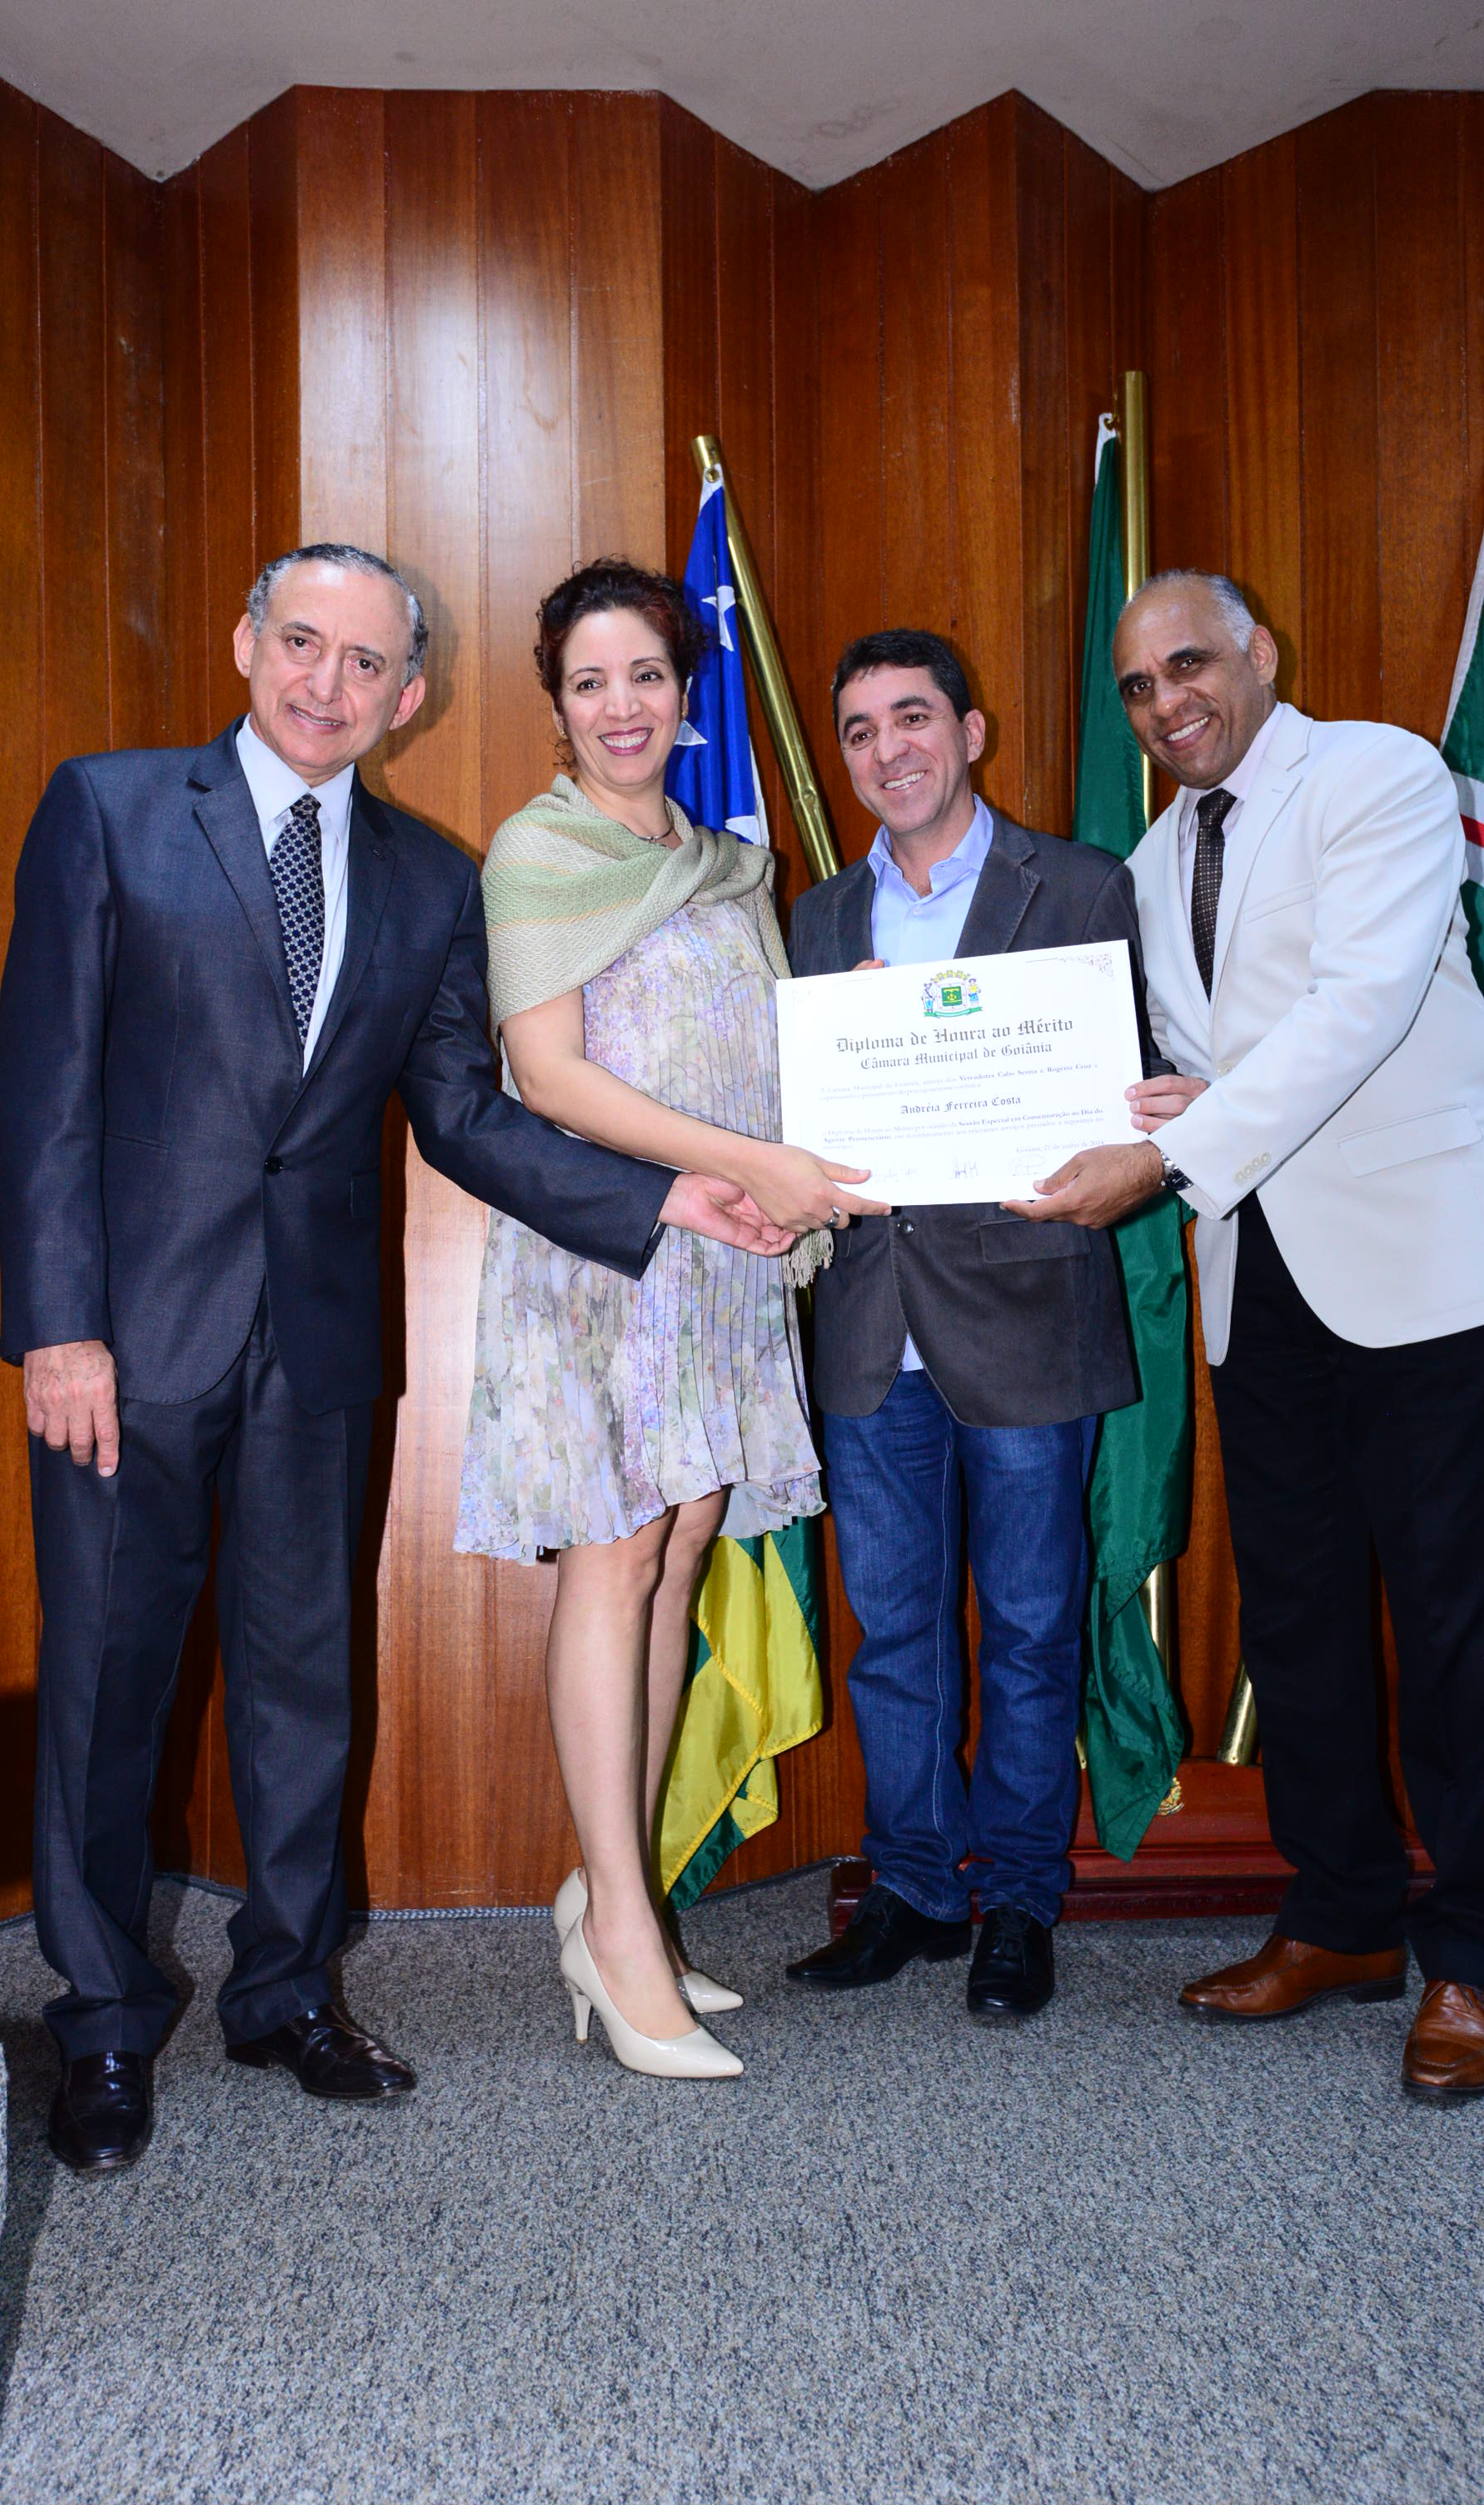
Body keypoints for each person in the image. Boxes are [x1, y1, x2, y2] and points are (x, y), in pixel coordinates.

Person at [0, 542, 794, 2174]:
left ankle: (287, 1991)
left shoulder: (432, 879)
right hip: (124, 1342)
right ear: (246, 641)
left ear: (409, 696)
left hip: (318, 1344)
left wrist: (662, 1197)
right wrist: (58, 1326)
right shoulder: (110, 809)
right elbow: (45, 1083)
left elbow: (462, 1115)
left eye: (367, 663)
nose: (328, 683)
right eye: (303, 643)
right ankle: (101, 2022)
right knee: (105, 1685)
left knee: (305, 1682)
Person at [1008, 567, 1484, 2104]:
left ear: (1259, 650)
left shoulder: (1378, 772)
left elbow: (1359, 1005)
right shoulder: (1150, 858)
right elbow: (1188, 1055)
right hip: (1265, 1282)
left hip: (1429, 1273)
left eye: (1189, 663)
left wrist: (1170, 1151)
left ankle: (1475, 1953)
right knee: (1301, 1623)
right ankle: (1341, 1918)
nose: (1165, 703)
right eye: (1138, 686)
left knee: (1454, 1628)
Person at [456, 558, 879, 2081]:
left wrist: (815, 1126)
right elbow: (551, 1076)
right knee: (617, 1555)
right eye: (590, 683)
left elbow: (755, 1049)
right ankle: (626, 1934)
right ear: (559, 709)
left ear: (685, 693)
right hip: (608, 1258)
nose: (621, 705)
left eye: (645, 674)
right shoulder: (539, 850)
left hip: (723, 1264)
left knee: (682, 1553)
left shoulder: (726, 864)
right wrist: (739, 1168)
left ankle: (608, 1892)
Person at [781, 628, 1156, 2019]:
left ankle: (1018, 1900)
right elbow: (799, 1123)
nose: (888, 750)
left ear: (971, 732)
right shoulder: (819, 918)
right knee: (893, 1634)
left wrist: (1128, 1145)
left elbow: (1137, 1086)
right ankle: (918, 1885)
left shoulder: (1083, 885)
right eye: (861, 729)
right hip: (872, 1327)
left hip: (1028, 1316)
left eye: (913, 718)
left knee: (1033, 1629)